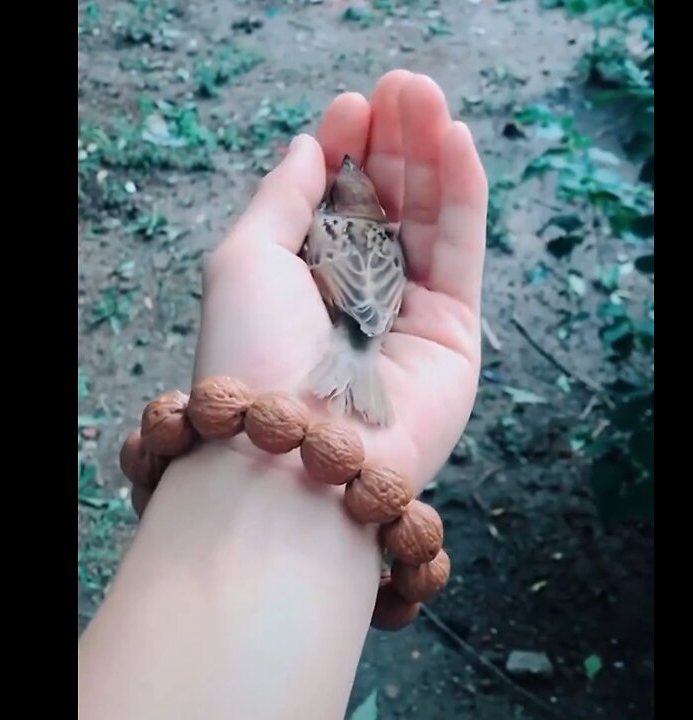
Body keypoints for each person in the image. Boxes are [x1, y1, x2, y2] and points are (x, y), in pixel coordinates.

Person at [77, 70, 489, 720]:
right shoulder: (382, 242)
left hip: (350, 344)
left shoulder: (331, 235)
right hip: (371, 333)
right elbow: (380, 282)